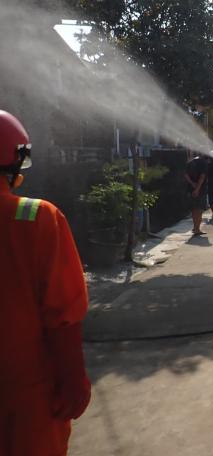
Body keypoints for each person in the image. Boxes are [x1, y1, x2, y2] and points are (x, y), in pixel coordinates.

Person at [0, 110, 91, 455]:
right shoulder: (36, 217)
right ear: (15, 159)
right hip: (26, 395)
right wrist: (74, 381)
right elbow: (64, 315)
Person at [184, 154, 208, 235]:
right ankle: (197, 229)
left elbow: (186, 175)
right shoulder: (203, 162)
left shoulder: (190, 162)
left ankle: (195, 228)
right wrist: (197, 188)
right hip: (200, 190)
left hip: (190, 189)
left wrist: (192, 184)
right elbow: (202, 176)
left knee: (194, 209)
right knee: (199, 210)